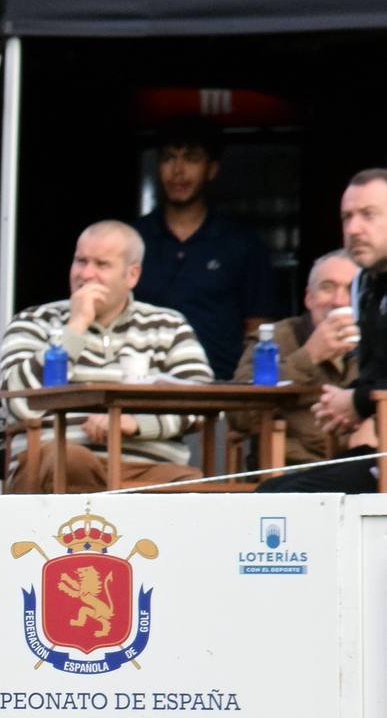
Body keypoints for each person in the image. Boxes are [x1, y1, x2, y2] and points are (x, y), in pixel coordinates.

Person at [0, 219, 214, 492]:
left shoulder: (169, 326)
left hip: (147, 469)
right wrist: (75, 328)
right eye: (80, 261)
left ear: (132, 275)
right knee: (71, 460)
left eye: (101, 265)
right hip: (58, 460)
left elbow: (201, 401)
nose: (86, 274)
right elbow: (16, 402)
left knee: (194, 485)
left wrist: (134, 422)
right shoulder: (33, 321)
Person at [260, 170, 387, 493]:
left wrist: (357, 400)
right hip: (379, 453)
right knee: (269, 493)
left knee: (277, 498)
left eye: (368, 215)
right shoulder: (365, 283)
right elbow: (376, 372)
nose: (354, 229)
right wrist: (341, 402)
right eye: (347, 217)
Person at [131, 115, 277, 379]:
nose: (178, 170)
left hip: (219, 389)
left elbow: (259, 329)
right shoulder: (133, 239)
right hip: (141, 387)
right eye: (168, 158)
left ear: (212, 169)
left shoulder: (241, 242)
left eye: (191, 158)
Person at [227, 248, 360, 465]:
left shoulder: (377, 341)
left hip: (368, 471)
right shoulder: (274, 339)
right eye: (327, 288)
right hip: (292, 472)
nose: (338, 301)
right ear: (309, 298)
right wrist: (309, 355)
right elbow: (238, 416)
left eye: (350, 289)